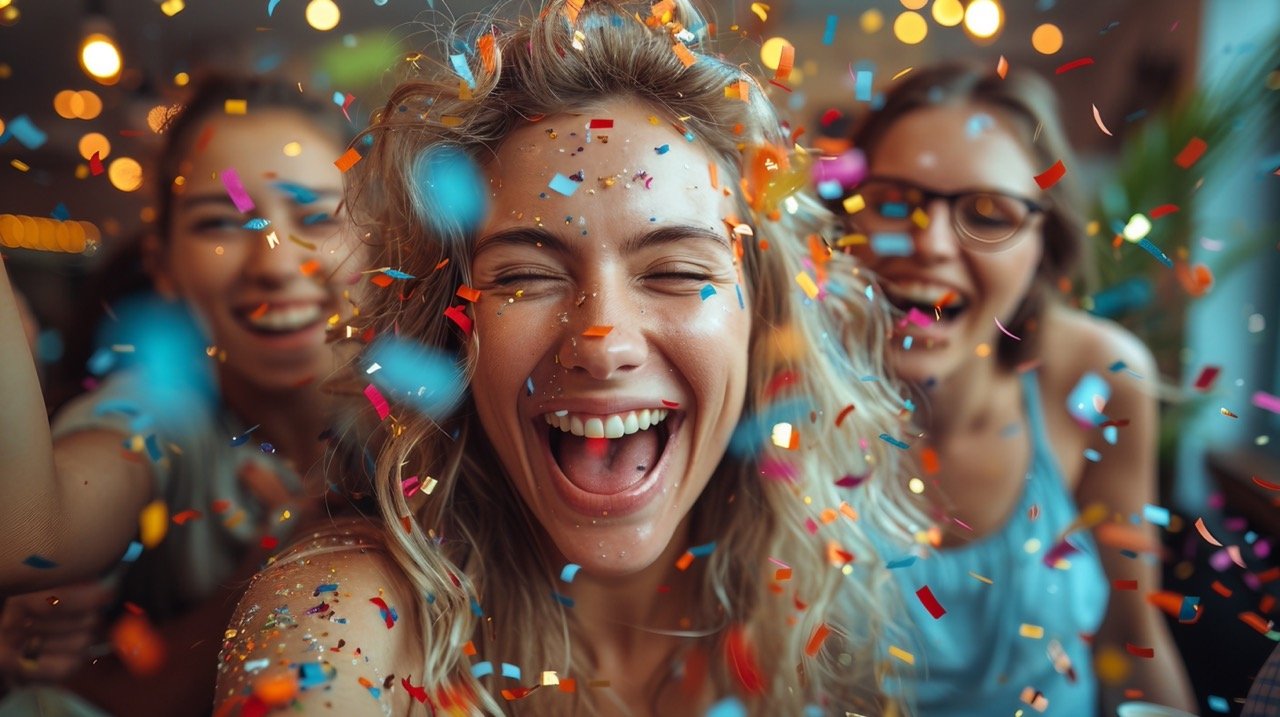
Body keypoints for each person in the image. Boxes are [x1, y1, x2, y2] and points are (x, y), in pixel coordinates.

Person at [213, 1, 925, 714]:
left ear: (761, 316)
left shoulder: (843, 599)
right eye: (524, 275)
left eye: (676, 270)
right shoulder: (353, 605)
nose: (605, 342)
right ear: (450, 332)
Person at [828, 61, 1198, 715]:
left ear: (1043, 247)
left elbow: (1130, 636)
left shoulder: (1101, 380)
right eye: (891, 201)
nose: (930, 242)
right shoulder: (787, 381)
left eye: (989, 214)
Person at [0, 74, 367, 715]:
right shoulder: (161, 413)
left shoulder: (446, 411)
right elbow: (32, 534)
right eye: (222, 221)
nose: (277, 262)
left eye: (314, 216)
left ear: (379, 240)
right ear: (164, 264)